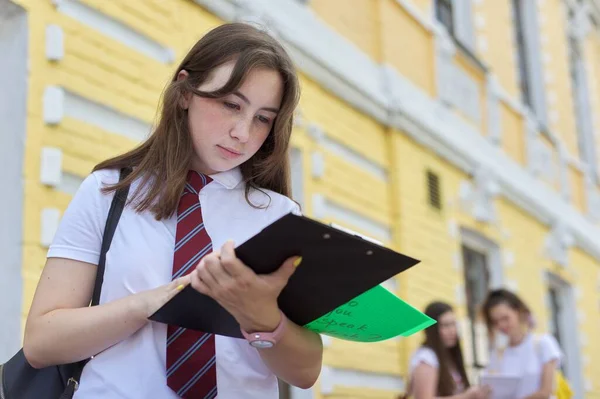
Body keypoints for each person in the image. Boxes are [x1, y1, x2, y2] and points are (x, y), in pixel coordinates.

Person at [22, 22, 323, 399]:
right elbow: (40, 343)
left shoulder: (279, 217)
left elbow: (307, 372)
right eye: (231, 105)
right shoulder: (108, 191)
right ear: (185, 91)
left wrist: (262, 317)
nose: (243, 133)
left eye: (263, 118)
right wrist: (146, 306)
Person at [482, 289, 563, 399]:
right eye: (495, 322)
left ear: (518, 312)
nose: (501, 325)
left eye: (505, 318)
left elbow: (545, 392)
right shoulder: (497, 355)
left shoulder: (543, 343)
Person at [403, 302, 490, 399]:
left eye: (454, 324)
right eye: (445, 325)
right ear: (432, 329)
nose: (452, 330)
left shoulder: (449, 356)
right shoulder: (426, 357)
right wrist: (466, 396)